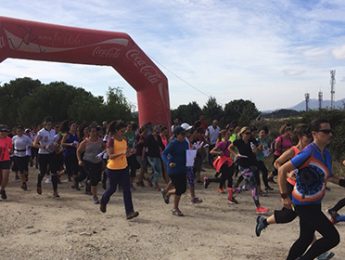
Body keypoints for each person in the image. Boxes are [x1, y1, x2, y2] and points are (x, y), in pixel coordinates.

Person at [277, 119, 341, 259]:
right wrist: (284, 196)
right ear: (315, 134)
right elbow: (281, 170)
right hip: (303, 204)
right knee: (333, 238)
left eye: (331, 131)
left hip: (315, 203)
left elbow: (329, 176)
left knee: (305, 239)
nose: (330, 134)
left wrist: (342, 182)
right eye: (325, 131)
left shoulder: (326, 153)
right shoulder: (308, 153)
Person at [256, 124, 312, 236]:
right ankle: (316, 248)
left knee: (289, 215)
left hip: (303, 187)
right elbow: (277, 163)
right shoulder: (293, 150)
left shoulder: (311, 151)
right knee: (304, 215)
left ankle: (264, 221)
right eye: (308, 137)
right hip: (291, 186)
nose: (311, 139)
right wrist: (287, 173)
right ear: (300, 137)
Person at [100, 121, 139, 220]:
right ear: (116, 131)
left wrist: (130, 152)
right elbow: (111, 156)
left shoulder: (124, 140)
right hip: (113, 169)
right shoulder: (111, 141)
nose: (123, 132)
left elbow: (125, 154)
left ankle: (129, 212)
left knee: (127, 190)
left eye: (124, 130)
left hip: (124, 168)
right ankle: (103, 201)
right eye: (122, 131)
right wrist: (122, 153)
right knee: (112, 189)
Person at [229, 127, 269, 214]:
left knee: (248, 186)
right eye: (246, 133)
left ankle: (233, 191)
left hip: (252, 164)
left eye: (249, 133)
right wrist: (236, 154)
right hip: (243, 165)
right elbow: (230, 147)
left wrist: (258, 149)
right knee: (253, 185)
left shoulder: (252, 140)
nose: (248, 135)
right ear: (242, 134)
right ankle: (258, 207)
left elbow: (257, 150)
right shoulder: (238, 142)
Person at [204, 130, 237, 204]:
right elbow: (211, 151)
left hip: (228, 161)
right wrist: (218, 153)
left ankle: (209, 181)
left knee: (228, 178)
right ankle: (229, 196)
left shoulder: (229, 143)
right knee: (226, 178)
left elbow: (232, 150)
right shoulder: (221, 143)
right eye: (227, 135)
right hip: (223, 162)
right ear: (224, 136)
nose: (228, 136)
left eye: (229, 135)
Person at [161, 126, 189, 216]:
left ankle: (168, 192)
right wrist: (168, 163)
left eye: (185, 134)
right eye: (182, 134)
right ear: (177, 135)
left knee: (183, 189)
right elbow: (164, 154)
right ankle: (175, 208)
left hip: (183, 168)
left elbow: (187, 154)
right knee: (179, 188)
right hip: (174, 169)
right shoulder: (173, 144)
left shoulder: (185, 143)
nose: (184, 136)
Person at [77, 124, 105, 204]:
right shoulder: (86, 141)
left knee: (97, 179)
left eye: (95, 131)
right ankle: (95, 196)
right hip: (88, 162)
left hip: (98, 162)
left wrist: (104, 153)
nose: (94, 133)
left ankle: (89, 182)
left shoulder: (100, 141)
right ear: (89, 133)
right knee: (93, 179)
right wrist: (79, 160)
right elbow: (78, 151)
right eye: (92, 131)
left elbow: (105, 148)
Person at [33, 117, 61, 197]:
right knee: (43, 171)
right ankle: (39, 183)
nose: (49, 125)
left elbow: (54, 141)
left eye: (50, 124)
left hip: (51, 153)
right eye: (47, 124)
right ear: (44, 124)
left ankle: (55, 191)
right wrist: (43, 146)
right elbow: (34, 144)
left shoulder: (53, 131)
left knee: (54, 172)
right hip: (43, 154)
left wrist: (56, 145)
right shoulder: (41, 132)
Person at [12, 126, 32, 191]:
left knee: (25, 168)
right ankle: (23, 183)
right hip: (17, 154)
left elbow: (31, 144)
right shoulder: (14, 138)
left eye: (20, 131)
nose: (19, 132)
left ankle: (25, 176)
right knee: (21, 169)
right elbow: (12, 145)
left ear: (23, 131)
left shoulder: (26, 138)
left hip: (24, 154)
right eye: (18, 131)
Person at [0, 125, 13, 200]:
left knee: (5, 177)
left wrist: (10, 151)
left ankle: (2, 189)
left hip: (5, 159)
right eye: (2, 131)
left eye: (5, 131)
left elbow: (11, 149)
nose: (4, 133)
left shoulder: (9, 139)